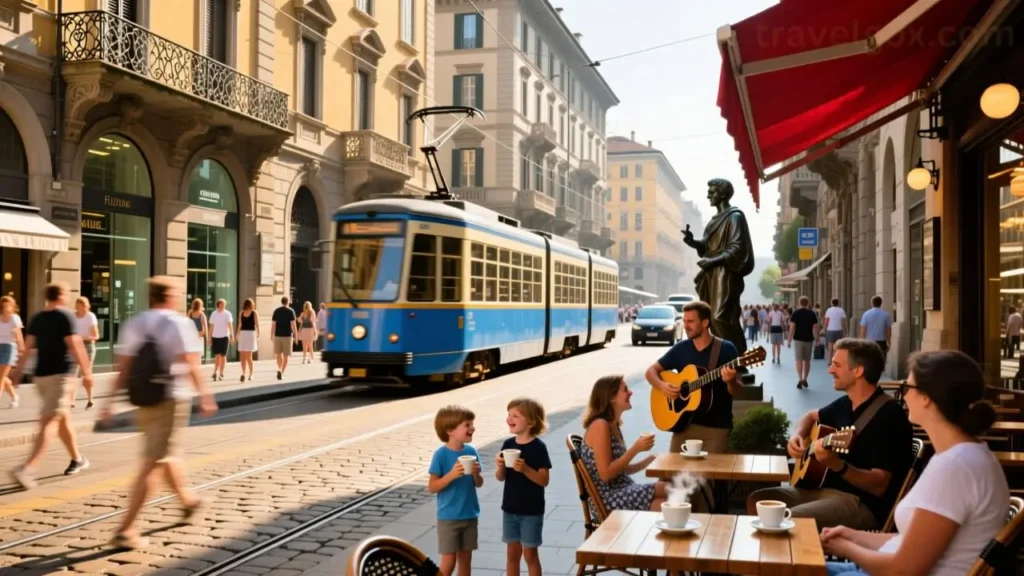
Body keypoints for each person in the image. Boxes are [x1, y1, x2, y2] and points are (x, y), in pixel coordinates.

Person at [821, 350, 1008, 576]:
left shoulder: (956, 468)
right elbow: (910, 543)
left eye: (906, 387)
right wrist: (851, 535)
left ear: (926, 397)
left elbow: (903, 570)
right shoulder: (959, 457)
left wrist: (846, 548)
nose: (904, 396)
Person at [746, 339, 912, 530]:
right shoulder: (845, 404)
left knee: (789, 519)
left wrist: (837, 465)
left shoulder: (889, 416)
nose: (830, 370)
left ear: (858, 371)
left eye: (836, 365)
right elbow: (810, 416)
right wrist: (797, 435)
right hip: (822, 490)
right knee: (758, 501)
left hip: (860, 503)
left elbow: (879, 485)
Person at [102, 277, 217, 549]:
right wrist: (206, 396)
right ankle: (126, 529)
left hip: (142, 400)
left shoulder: (135, 323)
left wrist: (108, 401)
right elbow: (191, 363)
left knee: (164, 454)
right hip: (170, 399)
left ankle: (188, 501)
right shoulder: (179, 323)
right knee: (154, 461)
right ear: (170, 297)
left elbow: (123, 368)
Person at [8, 283, 93, 489]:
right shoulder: (66, 316)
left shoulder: (37, 318)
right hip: (60, 376)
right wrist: (87, 373)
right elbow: (75, 345)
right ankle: (28, 469)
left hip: (40, 378)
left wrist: (17, 372)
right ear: (62, 296)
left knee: (61, 418)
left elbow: (27, 347)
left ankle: (77, 459)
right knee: (50, 422)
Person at [646, 301, 741, 454]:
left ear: (705, 323)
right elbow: (651, 372)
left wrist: (731, 381)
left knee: (712, 470)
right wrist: (662, 386)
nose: (685, 325)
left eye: (690, 321)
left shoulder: (726, 349)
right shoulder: (680, 349)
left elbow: (737, 391)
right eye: (684, 321)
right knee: (674, 469)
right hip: (684, 426)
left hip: (716, 429)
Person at [681, 179, 755, 354]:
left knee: (720, 317)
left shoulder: (735, 217)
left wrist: (713, 261)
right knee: (709, 319)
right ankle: (720, 356)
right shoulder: (714, 220)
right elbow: (707, 247)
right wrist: (693, 242)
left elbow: (737, 248)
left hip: (726, 273)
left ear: (722, 194)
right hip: (712, 273)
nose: (708, 195)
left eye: (712, 192)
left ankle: (735, 355)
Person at [581, 375, 668, 515]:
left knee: (669, 500)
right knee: (671, 490)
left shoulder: (613, 425)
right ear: (612, 397)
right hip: (608, 499)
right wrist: (635, 449)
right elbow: (606, 474)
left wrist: (649, 460)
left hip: (622, 491)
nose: (630, 392)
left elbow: (622, 469)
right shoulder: (600, 425)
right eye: (625, 389)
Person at [495, 398, 551, 576]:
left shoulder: (538, 447)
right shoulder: (508, 445)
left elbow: (544, 480)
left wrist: (526, 469)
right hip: (510, 509)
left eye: (515, 415)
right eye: (509, 414)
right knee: (512, 554)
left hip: (531, 511)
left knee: (530, 555)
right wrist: (500, 466)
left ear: (531, 422)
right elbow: (500, 478)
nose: (509, 418)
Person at [428, 405, 483, 576]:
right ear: (450, 430)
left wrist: (475, 474)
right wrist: (452, 475)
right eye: (467, 425)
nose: (472, 428)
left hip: (470, 515)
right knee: (449, 562)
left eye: (472, 424)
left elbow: (479, 483)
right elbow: (432, 487)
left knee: (465, 561)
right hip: (449, 518)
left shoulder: (471, 451)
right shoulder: (441, 455)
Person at [71, 297, 99, 409]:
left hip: (87, 346)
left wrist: (83, 338)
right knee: (73, 374)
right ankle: (71, 402)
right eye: (76, 305)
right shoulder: (73, 317)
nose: (77, 308)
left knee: (86, 374)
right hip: (75, 346)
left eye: (79, 306)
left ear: (85, 306)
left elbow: (96, 336)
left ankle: (90, 400)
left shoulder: (90, 316)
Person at [789, 296, 820, 389]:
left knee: (798, 360)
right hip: (808, 339)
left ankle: (800, 378)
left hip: (798, 339)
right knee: (807, 360)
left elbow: (792, 327)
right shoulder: (812, 313)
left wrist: (789, 339)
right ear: (807, 303)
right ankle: (805, 378)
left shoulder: (795, 313)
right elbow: (815, 327)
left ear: (799, 303)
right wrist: (817, 339)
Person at [0, 296, 24, 408]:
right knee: (2, 376)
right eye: (4, 305)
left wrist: (21, 349)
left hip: (9, 348)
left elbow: (18, 335)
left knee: (1, 376)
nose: (6, 307)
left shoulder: (14, 318)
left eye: (8, 304)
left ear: (12, 306)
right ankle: (14, 396)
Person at [270, 296, 297, 380]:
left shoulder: (276, 311)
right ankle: (281, 371)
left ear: (281, 302)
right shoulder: (291, 311)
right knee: (286, 356)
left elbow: (273, 324)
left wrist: (271, 334)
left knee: (278, 355)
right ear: (288, 302)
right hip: (287, 336)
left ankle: (279, 369)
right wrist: (296, 335)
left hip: (277, 335)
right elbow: (293, 324)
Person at [859, 296, 894, 362]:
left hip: (869, 342)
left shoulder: (866, 314)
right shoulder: (886, 315)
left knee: (870, 361)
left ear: (872, 303)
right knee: (881, 361)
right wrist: (889, 342)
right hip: (882, 342)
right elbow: (888, 330)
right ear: (881, 303)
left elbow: (863, 330)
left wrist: (861, 342)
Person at [208, 299, 233, 381]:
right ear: (218, 304)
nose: (223, 305)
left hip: (225, 337)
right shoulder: (214, 314)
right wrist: (209, 338)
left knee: (223, 356)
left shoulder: (227, 314)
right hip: (215, 337)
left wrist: (232, 335)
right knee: (217, 356)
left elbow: (230, 325)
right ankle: (215, 371)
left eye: (224, 304)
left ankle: (221, 373)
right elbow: (211, 327)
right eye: (222, 304)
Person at [236, 299, 259, 382]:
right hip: (243, 334)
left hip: (250, 334)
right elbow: (240, 324)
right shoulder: (241, 313)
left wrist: (258, 333)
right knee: (242, 355)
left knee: (248, 356)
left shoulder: (254, 313)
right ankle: (243, 373)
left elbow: (257, 324)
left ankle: (251, 374)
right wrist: (237, 333)